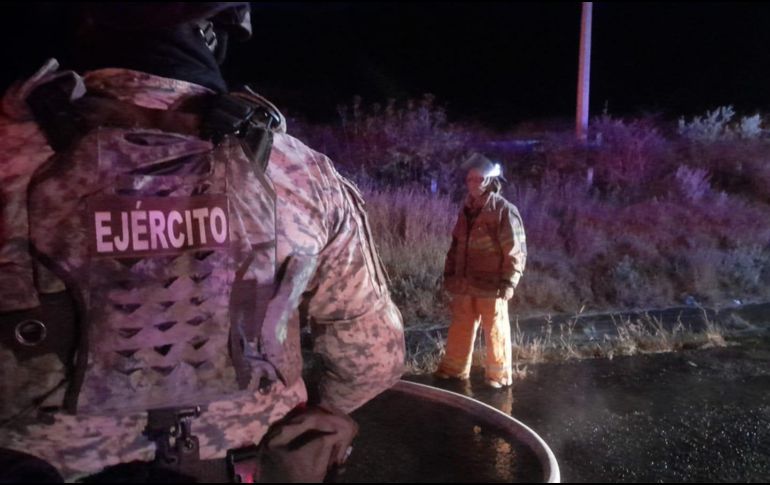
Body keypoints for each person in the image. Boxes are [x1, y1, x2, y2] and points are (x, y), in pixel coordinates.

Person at [0, 3, 404, 481]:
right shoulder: (300, 173)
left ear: (89, 22)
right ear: (216, 35)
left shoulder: (11, 154)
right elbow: (373, 358)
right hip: (244, 467)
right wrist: (316, 408)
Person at [434, 153, 527, 388]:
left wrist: (510, 282)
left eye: (478, 179)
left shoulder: (503, 210)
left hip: (491, 285)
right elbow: (456, 245)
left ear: (490, 182)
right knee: (460, 328)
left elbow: (514, 249)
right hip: (465, 283)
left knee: (495, 331)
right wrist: (450, 274)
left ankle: (498, 376)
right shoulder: (466, 209)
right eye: (470, 179)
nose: (473, 184)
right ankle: (454, 370)